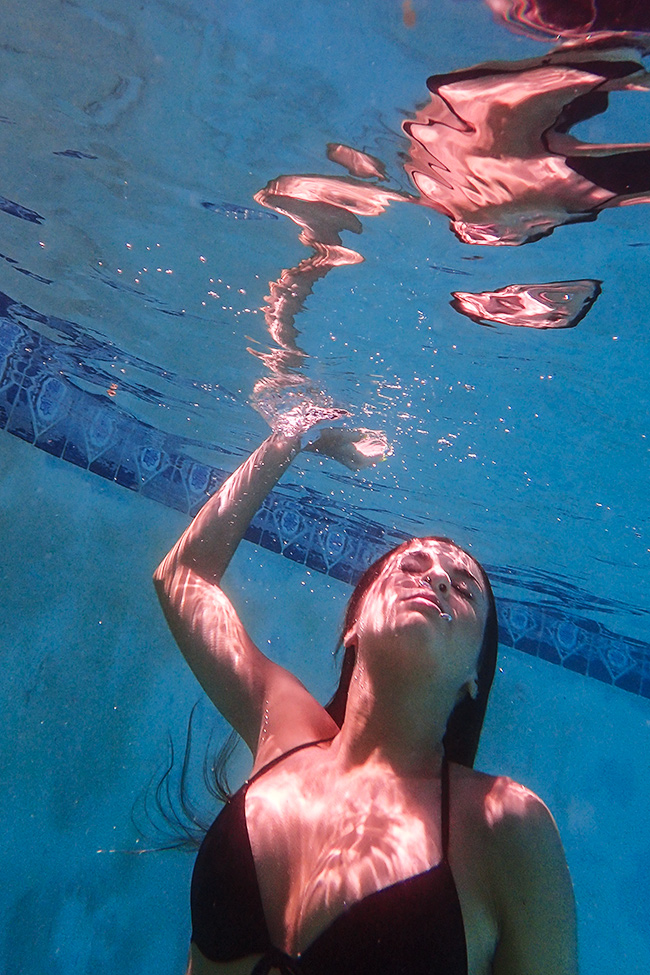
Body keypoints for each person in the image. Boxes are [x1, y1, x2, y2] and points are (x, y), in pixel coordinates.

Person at [153, 425, 578, 975]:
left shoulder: (503, 825)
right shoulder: (284, 728)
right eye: (411, 566)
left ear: (475, 675)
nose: (439, 580)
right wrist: (289, 436)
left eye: (464, 587)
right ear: (354, 624)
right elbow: (182, 578)